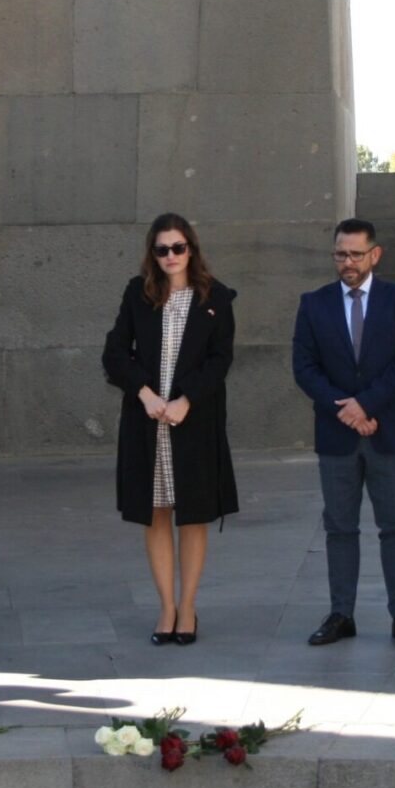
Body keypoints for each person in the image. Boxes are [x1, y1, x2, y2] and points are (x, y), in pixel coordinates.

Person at [102, 213, 238, 645]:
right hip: (148, 423)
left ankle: (189, 608)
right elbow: (115, 353)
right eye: (162, 249)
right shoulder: (137, 293)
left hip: (192, 422)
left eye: (178, 247)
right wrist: (145, 394)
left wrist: (186, 400)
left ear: (191, 249)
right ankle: (166, 608)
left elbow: (220, 360)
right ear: (152, 253)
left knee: (192, 516)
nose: (171, 256)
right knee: (156, 513)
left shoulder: (216, 297)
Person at [293, 218, 395, 649]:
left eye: (354, 254)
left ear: (375, 254)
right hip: (337, 436)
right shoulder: (313, 304)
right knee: (339, 528)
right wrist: (347, 411)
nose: (347, 263)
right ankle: (341, 614)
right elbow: (305, 369)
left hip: (388, 431)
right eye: (339, 254)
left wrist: (366, 405)